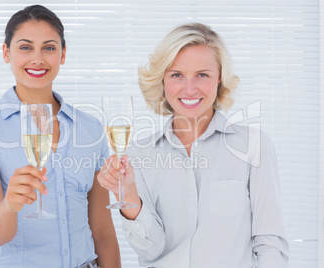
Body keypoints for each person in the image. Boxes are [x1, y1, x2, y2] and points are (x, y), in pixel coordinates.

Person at [97, 22, 289, 267]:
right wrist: (128, 193)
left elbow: (270, 243)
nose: (189, 88)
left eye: (202, 75)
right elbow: (151, 250)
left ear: (219, 77)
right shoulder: (138, 153)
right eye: (177, 75)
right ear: (163, 81)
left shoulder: (253, 146)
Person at [0, 5, 120, 268]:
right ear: (6, 52)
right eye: (25, 47)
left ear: (63, 54)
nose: (37, 58)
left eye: (49, 47)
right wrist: (9, 205)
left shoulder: (90, 129)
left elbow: (103, 232)